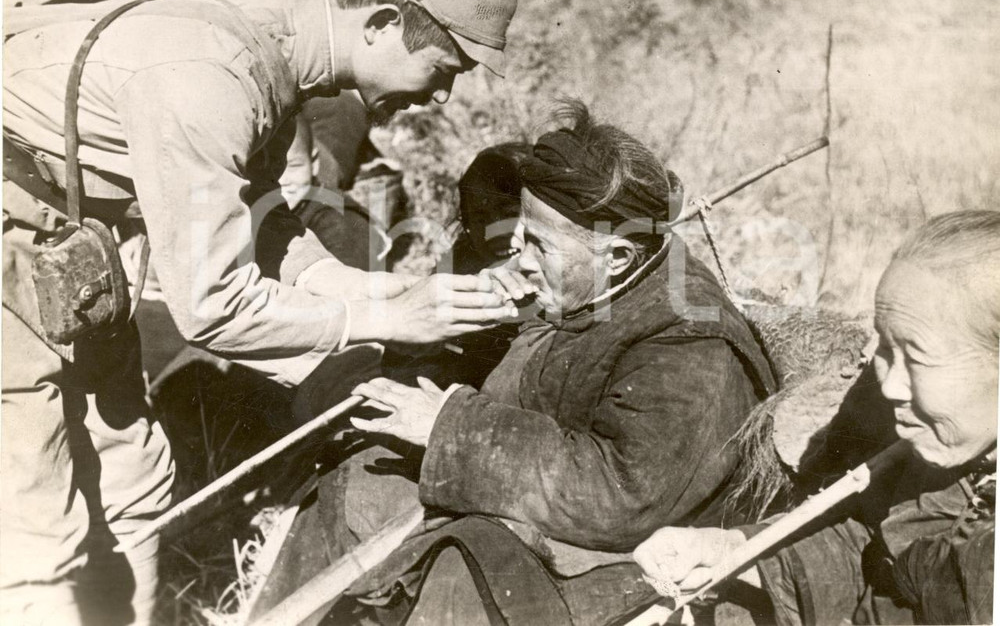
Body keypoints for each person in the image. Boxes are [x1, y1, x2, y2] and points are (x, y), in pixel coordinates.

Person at [1, 0, 522, 624]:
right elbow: (210, 307)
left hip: (72, 250)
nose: (443, 95)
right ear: (382, 25)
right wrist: (375, 315)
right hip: (17, 240)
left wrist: (385, 289)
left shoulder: (287, 41)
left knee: (136, 479)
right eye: (444, 68)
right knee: (35, 520)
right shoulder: (209, 73)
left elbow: (262, 222)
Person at [252, 101, 776, 625]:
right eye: (521, 234)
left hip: (633, 556)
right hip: (545, 510)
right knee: (357, 483)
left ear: (617, 256)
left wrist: (450, 427)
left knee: (461, 572)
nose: (519, 257)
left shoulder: (690, 341)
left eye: (539, 246)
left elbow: (622, 494)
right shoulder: (591, 281)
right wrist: (492, 322)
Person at [634, 210, 1000, 625]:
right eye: (884, 349)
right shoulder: (956, 457)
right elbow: (874, 551)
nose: (891, 386)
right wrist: (727, 549)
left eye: (916, 357)